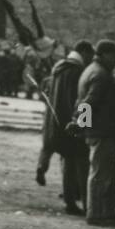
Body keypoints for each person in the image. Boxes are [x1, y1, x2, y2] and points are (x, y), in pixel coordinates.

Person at [36, 40, 93, 215]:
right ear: (84, 52)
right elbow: (81, 100)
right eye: (90, 54)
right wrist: (84, 125)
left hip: (57, 122)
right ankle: (87, 204)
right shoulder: (78, 71)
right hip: (73, 125)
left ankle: (70, 202)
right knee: (82, 164)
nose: (91, 58)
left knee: (68, 163)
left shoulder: (60, 68)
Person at [76, 39, 115, 227]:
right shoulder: (101, 74)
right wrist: (83, 126)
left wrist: (83, 127)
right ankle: (98, 213)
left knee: (105, 172)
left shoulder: (92, 70)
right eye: (114, 55)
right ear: (104, 54)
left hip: (97, 130)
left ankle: (103, 212)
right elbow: (88, 103)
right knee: (101, 173)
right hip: (101, 131)